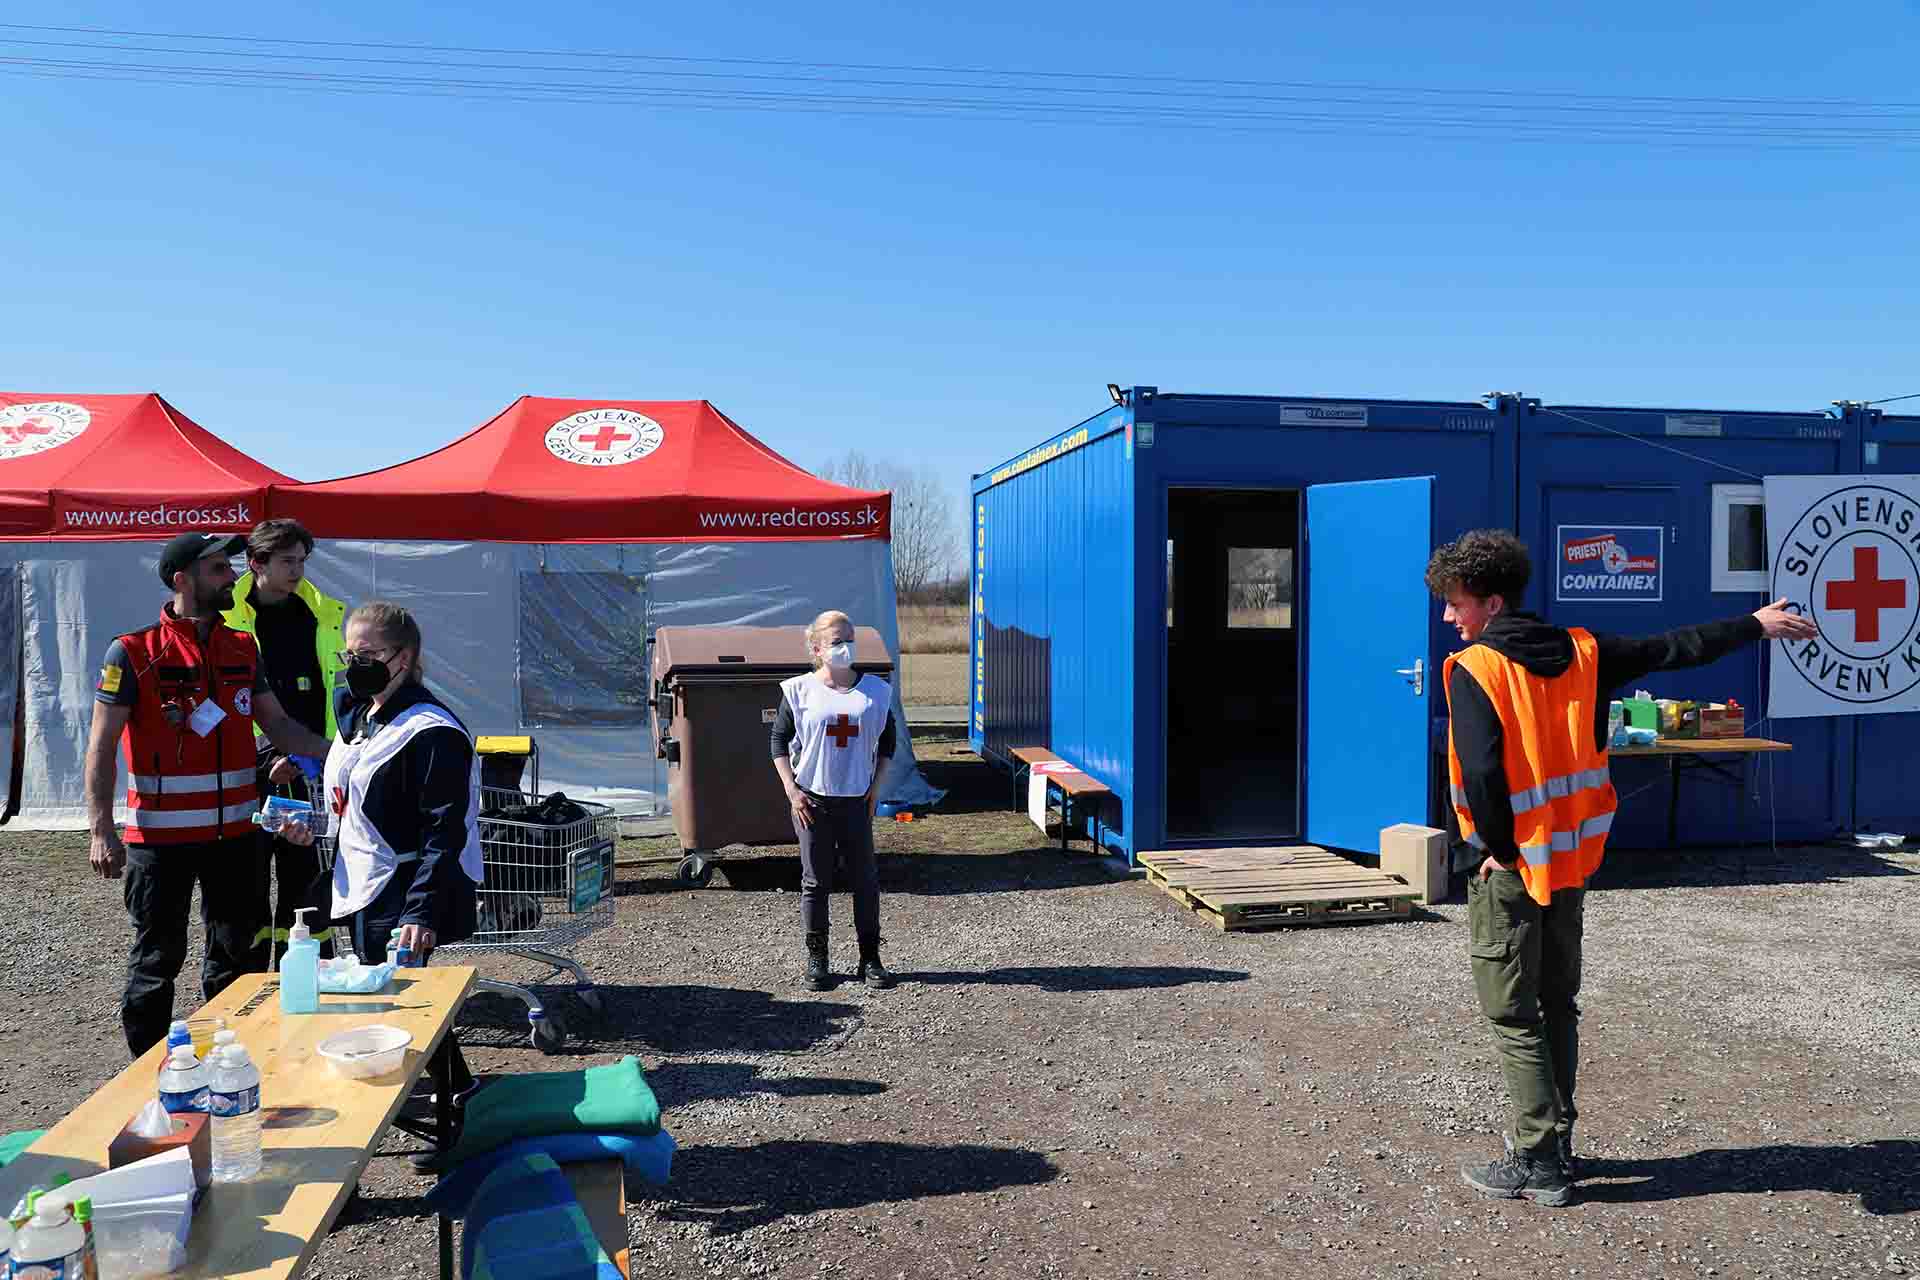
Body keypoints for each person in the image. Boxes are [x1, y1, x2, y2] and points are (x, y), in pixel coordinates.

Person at [1426, 529, 1816, 1207]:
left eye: (1455, 603)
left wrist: (1495, 847)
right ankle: (1559, 1141)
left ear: (1489, 603)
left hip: (1513, 867)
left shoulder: (1476, 671)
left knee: (1513, 1015)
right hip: (1572, 859)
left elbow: (1484, 773)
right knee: (1557, 1003)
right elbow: (1674, 647)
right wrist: (1754, 624)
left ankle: (1539, 1161)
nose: (1447, 617)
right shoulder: (1584, 651)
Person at [86, 531, 337, 1058]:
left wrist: (347, 756)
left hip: (236, 839)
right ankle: (149, 1077)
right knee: (157, 961)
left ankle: (230, 1061)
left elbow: (280, 727)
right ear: (183, 580)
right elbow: (101, 746)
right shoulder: (132, 651)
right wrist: (101, 830)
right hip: (160, 841)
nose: (232, 575)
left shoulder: (242, 647)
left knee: (237, 961)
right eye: (219, 568)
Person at [222, 518, 349, 966]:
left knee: (309, 886)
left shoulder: (323, 614)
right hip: (251, 773)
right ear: (256, 563)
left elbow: (332, 691)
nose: (297, 571)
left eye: (301, 561)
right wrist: (270, 754)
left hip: (312, 770)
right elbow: (234, 702)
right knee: (247, 886)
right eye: (286, 561)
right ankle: (245, 986)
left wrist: (327, 752)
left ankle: (311, 977)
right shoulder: (226, 619)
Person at [770, 610, 899, 992]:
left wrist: (876, 788)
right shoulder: (799, 691)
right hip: (812, 802)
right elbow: (778, 740)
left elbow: (888, 742)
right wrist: (792, 791)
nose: (846, 647)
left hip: (856, 800)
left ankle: (870, 958)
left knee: (865, 880)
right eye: (837, 641)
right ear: (817, 648)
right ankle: (818, 958)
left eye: (850, 639)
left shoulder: (875, 692)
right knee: (815, 882)